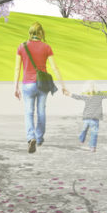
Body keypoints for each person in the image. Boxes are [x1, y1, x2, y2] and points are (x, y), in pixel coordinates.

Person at [13, 23, 64, 153]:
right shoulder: (46, 47)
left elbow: (17, 68)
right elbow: (54, 67)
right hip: (42, 84)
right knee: (41, 111)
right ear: (41, 33)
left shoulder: (22, 46)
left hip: (27, 84)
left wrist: (15, 87)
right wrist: (63, 85)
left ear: (30, 32)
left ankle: (31, 138)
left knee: (29, 112)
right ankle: (40, 138)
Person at [68, 83, 107, 151]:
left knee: (85, 129)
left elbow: (77, 97)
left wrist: (69, 94)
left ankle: (82, 139)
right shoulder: (99, 95)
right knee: (94, 133)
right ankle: (92, 147)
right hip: (94, 118)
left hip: (87, 117)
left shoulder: (87, 96)